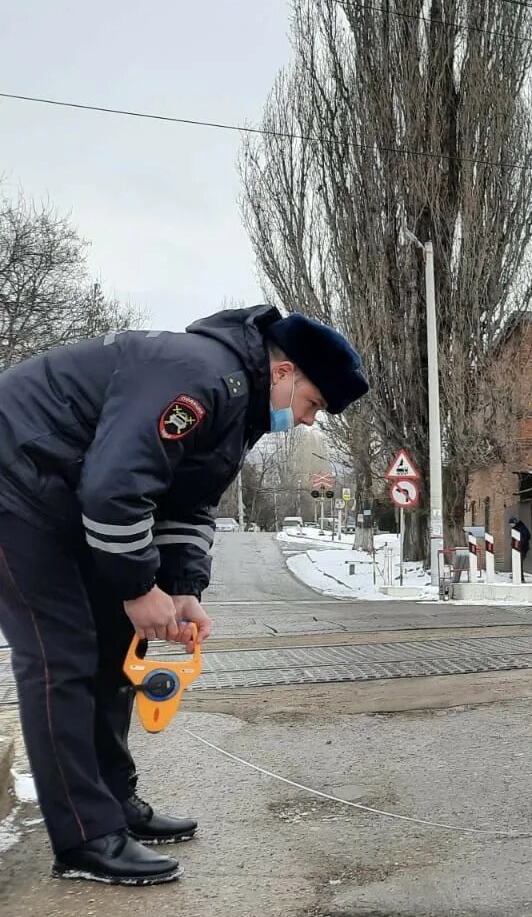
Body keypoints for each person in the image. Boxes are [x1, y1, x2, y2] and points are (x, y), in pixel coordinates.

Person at [0, 305, 369, 884]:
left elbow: (188, 504)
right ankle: (84, 836)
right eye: (313, 404)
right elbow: (115, 487)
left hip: (60, 493)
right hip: (16, 479)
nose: (307, 421)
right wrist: (136, 586)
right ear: (285, 371)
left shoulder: (237, 410)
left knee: (116, 644)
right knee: (60, 654)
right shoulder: (198, 377)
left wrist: (180, 589)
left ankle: (113, 805)